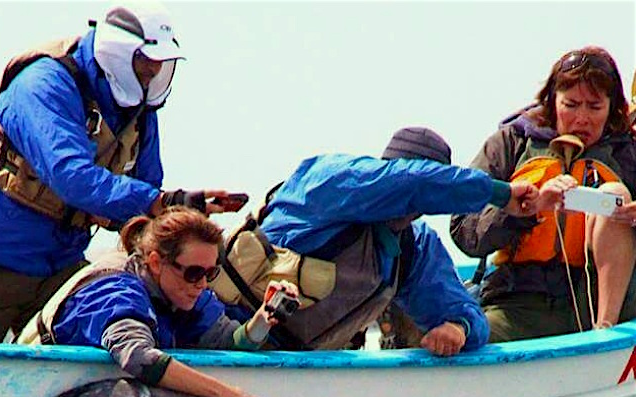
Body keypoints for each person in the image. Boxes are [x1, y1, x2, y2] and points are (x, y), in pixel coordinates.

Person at [0, 2, 235, 342]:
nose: (153, 72)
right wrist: (158, 201)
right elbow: (72, 177)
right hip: (3, 256)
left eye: (159, 64)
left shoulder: (139, 109)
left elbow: (149, 192)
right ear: (118, 51)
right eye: (145, 61)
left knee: (115, 318)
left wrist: (184, 209)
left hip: (61, 266)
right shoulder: (44, 84)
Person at [211, 126, 538, 354]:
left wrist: (459, 327)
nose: (410, 204)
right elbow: (413, 183)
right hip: (217, 335)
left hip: (295, 367)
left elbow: (467, 313)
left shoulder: (415, 248)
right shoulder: (331, 179)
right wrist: (502, 194)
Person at [17, 206, 295, 397]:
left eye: (211, 273)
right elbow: (137, 356)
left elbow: (226, 341)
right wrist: (222, 393)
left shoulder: (185, 291)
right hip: (31, 393)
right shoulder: (115, 291)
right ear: (154, 262)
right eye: (194, 273)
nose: (202, 284)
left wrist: (262, 319)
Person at [450, 47, 636, 342]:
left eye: (594, 107)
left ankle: (605, 334)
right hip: (518, 303)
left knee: (615, 192)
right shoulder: (511, 143)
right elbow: (465, 231)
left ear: (612, 108)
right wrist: (522, 208)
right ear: (552, 101)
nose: (582, 118)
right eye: (571, 105)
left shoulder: (628, 153)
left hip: (610, 310)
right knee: (461, 341)